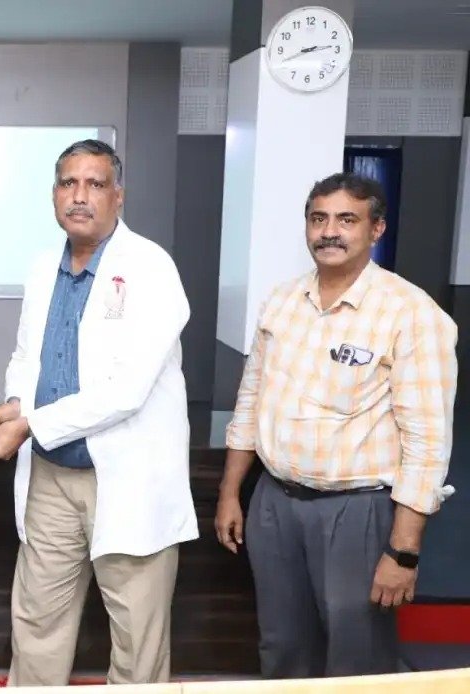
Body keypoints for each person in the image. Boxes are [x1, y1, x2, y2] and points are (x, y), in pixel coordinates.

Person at [215, 172, 457, 678]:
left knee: (356, 655)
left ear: (376, 229)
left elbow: (427, 444)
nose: (329, 231)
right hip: (275, 504)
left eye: (347, 220)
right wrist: (231, 492)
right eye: (318, 219)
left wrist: (403, 552)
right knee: (281, 646)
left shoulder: (411, 314)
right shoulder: (282, 302)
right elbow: (250, 401)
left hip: (357, 512)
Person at [0, 139, 197, 685]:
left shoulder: (151, 268)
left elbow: (127, 390)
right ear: (54, 194)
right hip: (51, 475)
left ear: (118, 196)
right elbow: (27, 356)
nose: (80, 196)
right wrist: (16, 403)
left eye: (95, 184)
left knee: (137, 635)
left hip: (124, 475)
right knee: (37, 623)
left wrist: (31, 424)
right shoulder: (41, 268)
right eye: (68, 183)